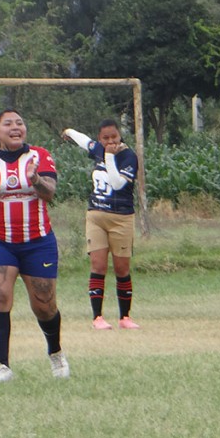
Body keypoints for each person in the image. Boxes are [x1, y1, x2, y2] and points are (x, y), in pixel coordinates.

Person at [0, 109, 69, 382]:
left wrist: (35, 179)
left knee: (44, 305)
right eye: (8, 124)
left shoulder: (40, 156)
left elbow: (50, 193)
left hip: (38, 241)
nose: (16, 127)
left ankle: (56, 354)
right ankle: (3, 366)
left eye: (20, 123)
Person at [62, 120, 141, 330]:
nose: (110, 141)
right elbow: (85, 142)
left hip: (121, 217)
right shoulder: (98, 149)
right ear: (100, 138)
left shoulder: (128, 156)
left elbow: (117, 183)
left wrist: (109, 156)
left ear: (120, 135)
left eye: (114, 136)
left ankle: (125, 317)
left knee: (122, 268)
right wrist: (70, 131)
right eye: (105, 138)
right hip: (96, 215)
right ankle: (97, 317)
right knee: (98, 265)